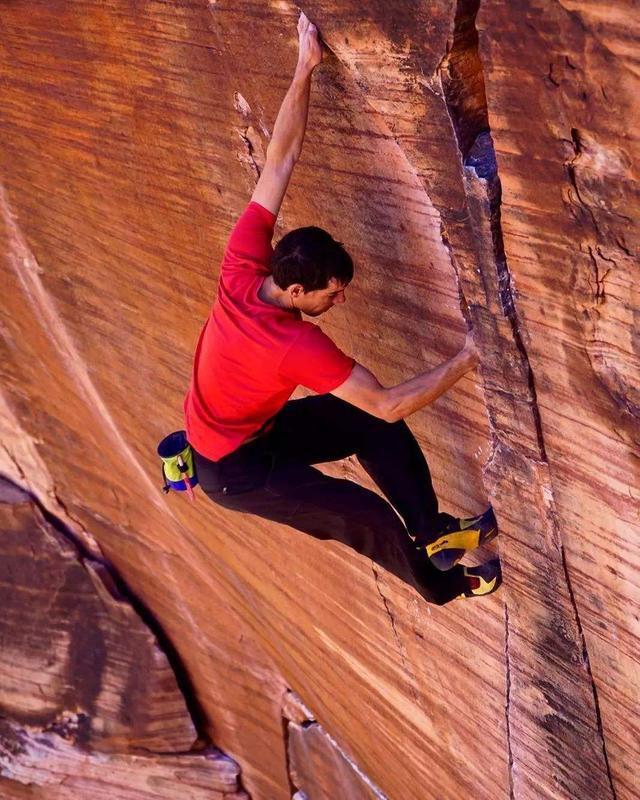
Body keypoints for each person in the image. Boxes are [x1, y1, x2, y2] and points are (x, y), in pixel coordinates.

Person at [184, 13, 501, 605]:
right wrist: (469, 356)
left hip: (250, 430)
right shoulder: (292, 343)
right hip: (237, 472)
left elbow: (279, 159)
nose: (341, 298)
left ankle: (432, 532)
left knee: (366, 425)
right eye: (333, 293)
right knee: (365, 514)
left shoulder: (246, 261)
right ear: (299, 293)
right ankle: (446, 585)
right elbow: (390, 400)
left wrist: (305, 64)